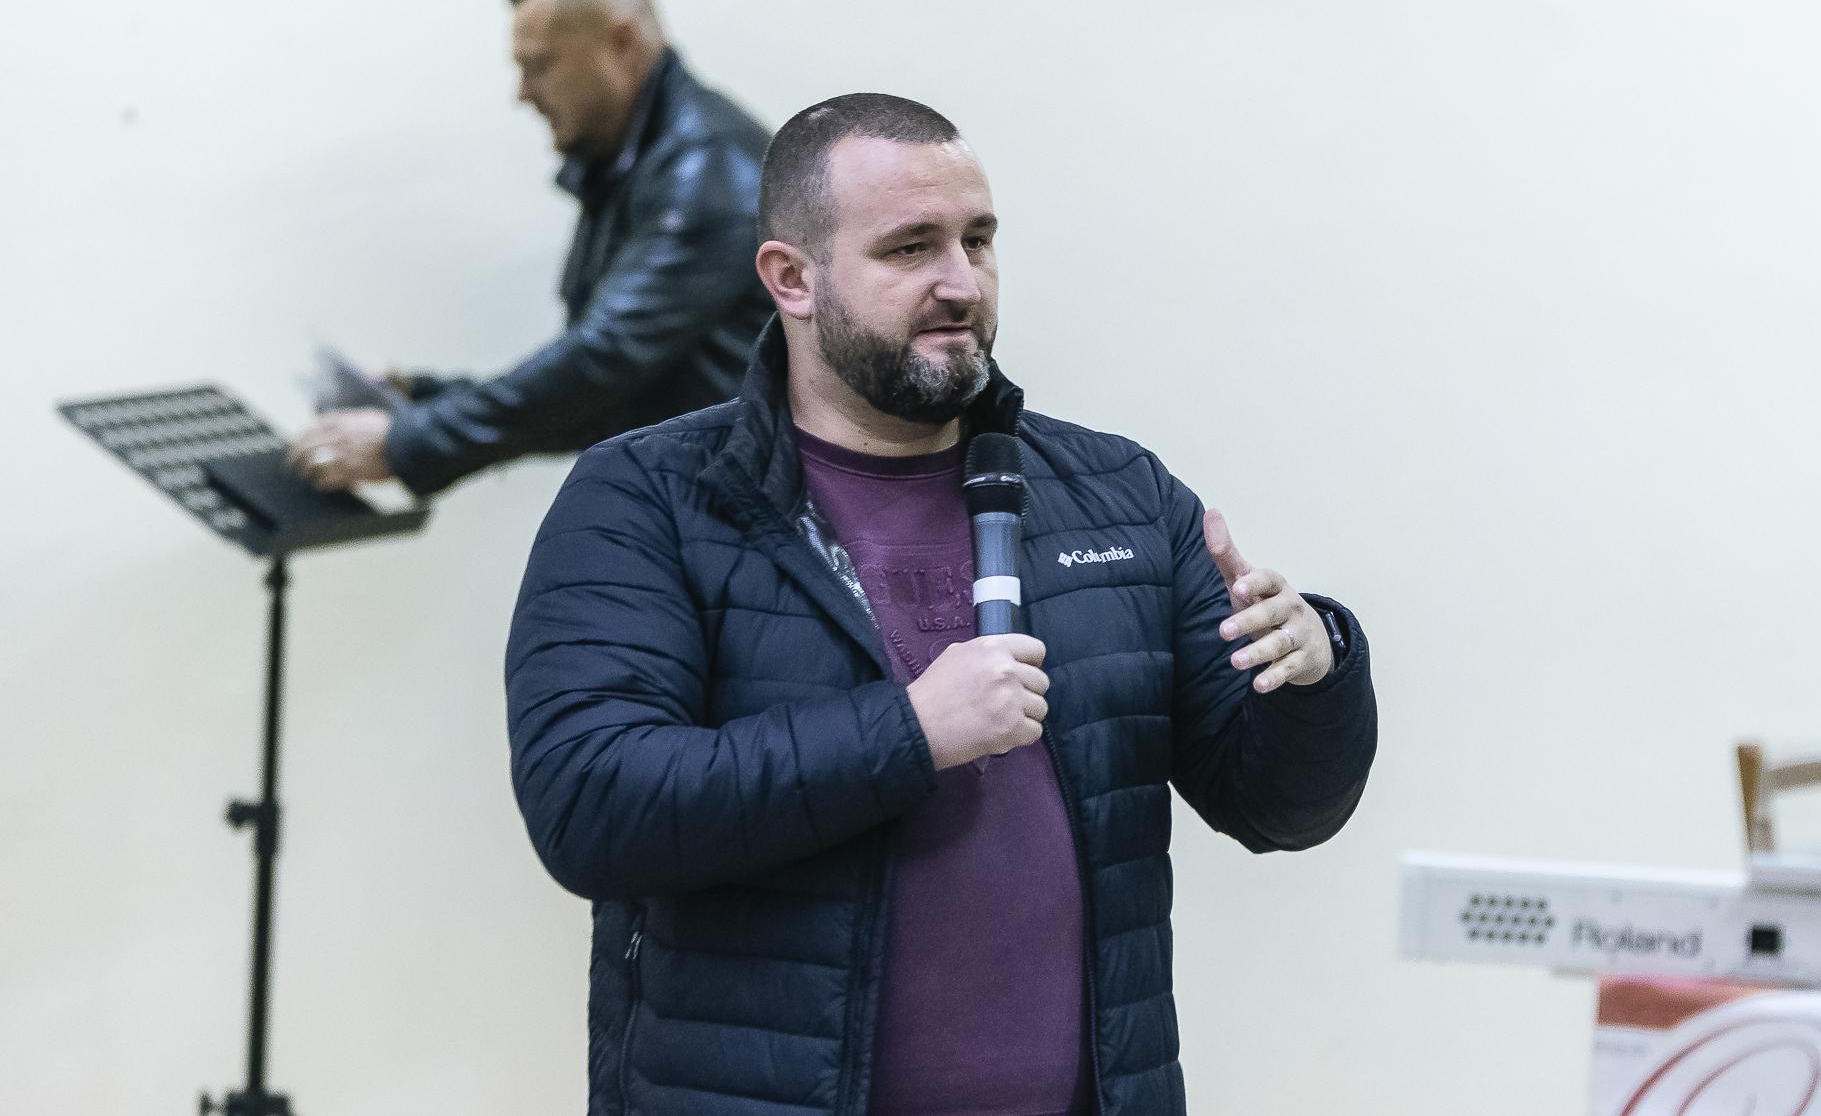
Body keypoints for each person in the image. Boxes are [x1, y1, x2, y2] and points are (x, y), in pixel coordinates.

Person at [504, 94, 1378, 1116]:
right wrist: (908, 733)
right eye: (910, 247)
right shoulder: (648, 497)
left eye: (978, 240)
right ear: (791, 278)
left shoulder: (1121, 494)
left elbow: (1278, 810)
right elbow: (591, 807)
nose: (959, 281)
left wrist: (1313, 672)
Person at [289, 0, 774, 496]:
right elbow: (598, 398)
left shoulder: (705, 171)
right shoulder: (633, 162)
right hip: (703, 509)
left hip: (741, 526)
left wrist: (406, 441)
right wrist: (422, 400)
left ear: (622, 42)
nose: (522, 93)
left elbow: (600, 364)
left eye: (539, 65)